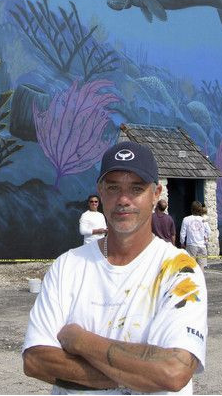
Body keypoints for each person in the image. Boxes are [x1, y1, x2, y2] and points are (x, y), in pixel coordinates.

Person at [23, 141, 207, 394]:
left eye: (136, 188)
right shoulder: (68, 266)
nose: (123, 199)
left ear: (156, 194)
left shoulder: (180, 271)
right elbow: (36, 361)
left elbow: (173, 371)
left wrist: (80, 341)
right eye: (113, 188)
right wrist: (138, 373)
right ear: (100, 191)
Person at [180, 202, 210, 272]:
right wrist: (205, 238)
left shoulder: (186, 219)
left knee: (191, 266)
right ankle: (200, 281)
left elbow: (182, 233)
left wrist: (182, 243)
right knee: (201, 266)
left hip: (191, 245)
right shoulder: (203, 220)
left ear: (191, 209)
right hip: (202, 245)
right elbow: (208, 231)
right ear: (200, 210)